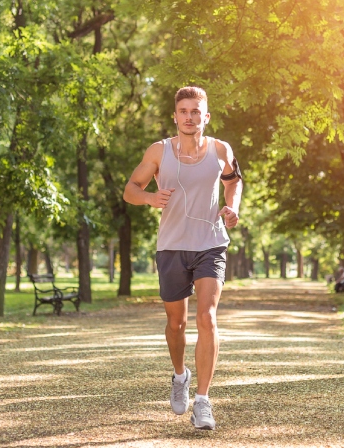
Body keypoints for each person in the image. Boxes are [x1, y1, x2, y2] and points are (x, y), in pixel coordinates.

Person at [123, 86, 243, 430]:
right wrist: (149, 198)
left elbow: (234, 181)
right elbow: (130, 189)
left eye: (196, 112)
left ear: (206, 117)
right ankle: (180, 375)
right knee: (176, 325)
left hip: (210, 244)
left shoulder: (220, 149)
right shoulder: (159, 151)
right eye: (184, 111)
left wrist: (231, 208)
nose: (189, 117)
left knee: (207, 318)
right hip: (172, 246)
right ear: (175, 117)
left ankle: (203, 402)